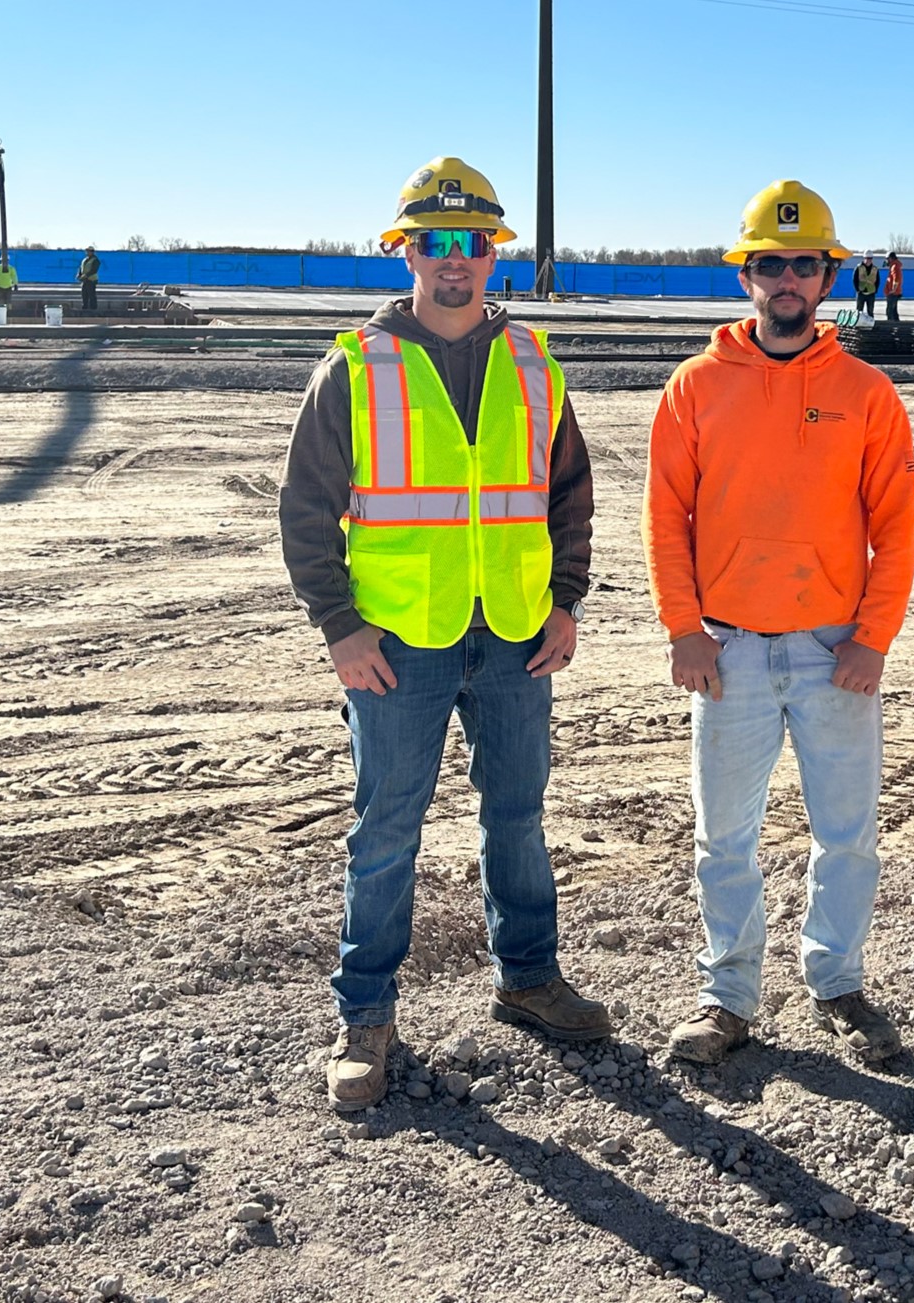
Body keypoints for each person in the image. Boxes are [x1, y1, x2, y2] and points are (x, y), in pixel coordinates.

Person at [280, 157, 610, 1113]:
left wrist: (564, 600)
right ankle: (366, 1018)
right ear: (406, 252)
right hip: (398, 643)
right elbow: (304, 510)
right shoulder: (356, 367)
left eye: (472, 242)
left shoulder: (534, 364)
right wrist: (340, 627)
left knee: (518, 815)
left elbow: (568, 497)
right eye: (435, 242)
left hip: (512, 633)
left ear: (493, 255)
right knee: (386, 829)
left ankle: (528, 977)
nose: (455, 260)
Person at [642, 180, 914, 1066]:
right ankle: (727, 995)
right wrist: (684, 628)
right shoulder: (694, 387)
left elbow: (897, 527)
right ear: (747, 279)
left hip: (835, 648)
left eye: (804, 264)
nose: (788, 279)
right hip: (728, 652)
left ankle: (836, 981)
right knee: (724, 835)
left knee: (847, 832)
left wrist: (872, 636)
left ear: (828, 276)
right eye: (771, 264)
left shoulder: (866, 392)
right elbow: (664, 518)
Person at [853, 252, 879, 318]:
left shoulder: (875, 268)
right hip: (861, 292)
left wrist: (876, 290)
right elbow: (854, 279)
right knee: (859, 311)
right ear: (864, 258)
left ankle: (870, 325)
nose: (868, 260)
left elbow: (878, 280)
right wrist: (857, 290)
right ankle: (858, 325)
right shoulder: (858, 267)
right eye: (867, 258)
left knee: (870, 312)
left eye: (870, 258)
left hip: (871, 293)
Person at [76, 247, 99, 312]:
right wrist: (79, 274)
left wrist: (86, 275)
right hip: (85, 280)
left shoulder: (95, 260)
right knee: (84, 295)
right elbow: (81, 268)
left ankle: (93, 308)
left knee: (91, 295)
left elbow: (94, 270)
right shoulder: (84, 260)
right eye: (87, 251)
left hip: (91, 280)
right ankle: (84, 308)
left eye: (89, 251)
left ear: (92, 252)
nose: (87, 253)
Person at [883, 252, 903, 322]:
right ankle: (897, 326)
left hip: (893, 293)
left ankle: (890, 327)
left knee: (890, 311)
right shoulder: (894, 266)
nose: (886, 261)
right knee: (894, 311)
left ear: (890, 259)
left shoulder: (894, 266)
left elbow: (896, 279)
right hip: (894, 293)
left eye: (887, 259)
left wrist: (893, 290)